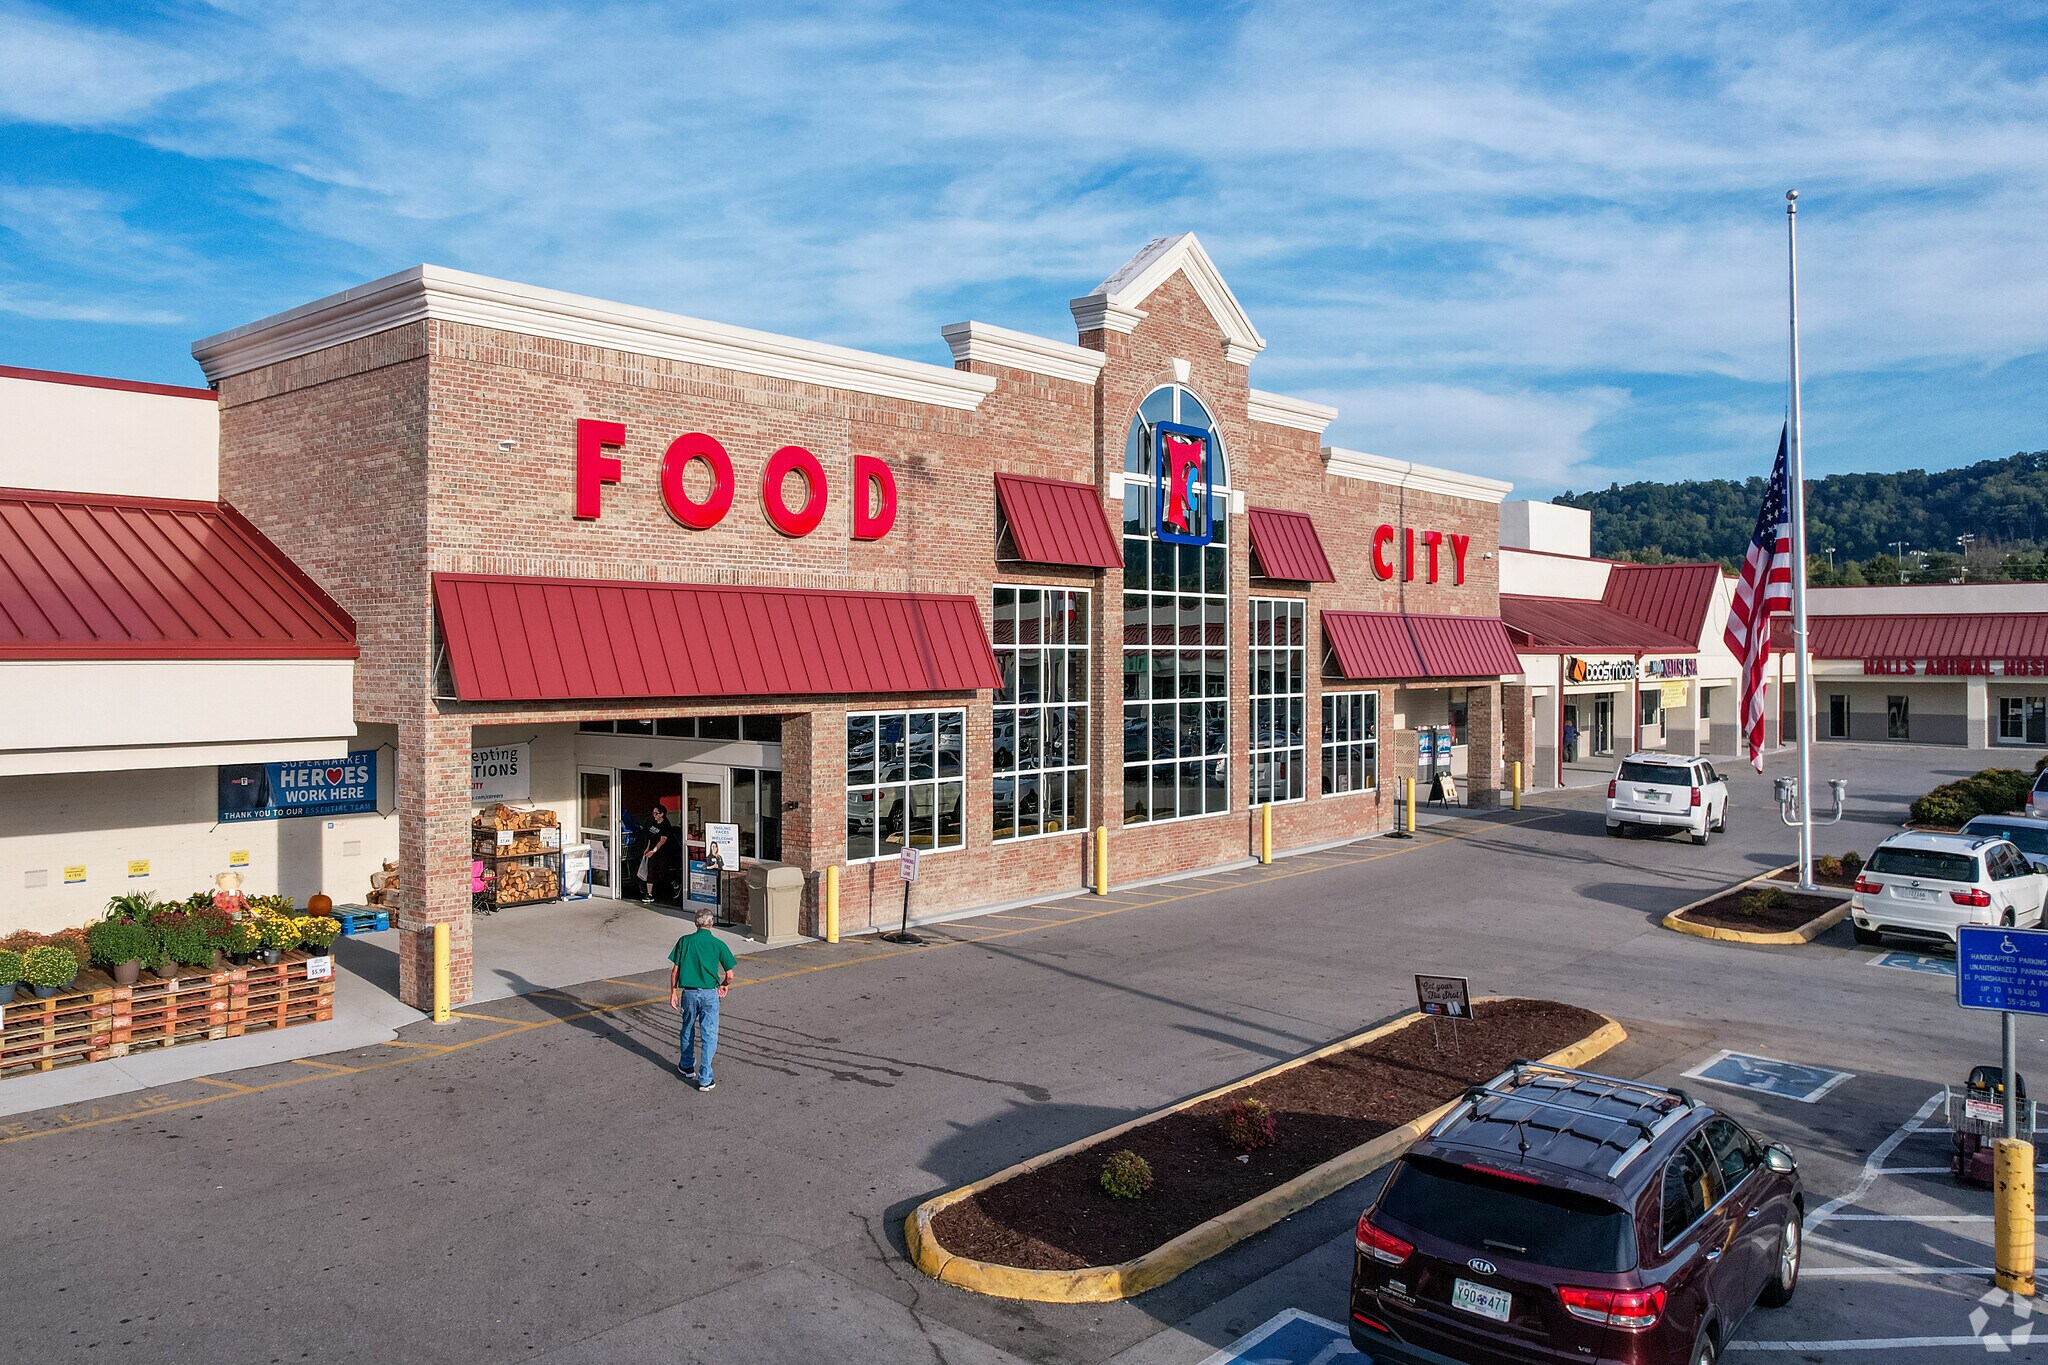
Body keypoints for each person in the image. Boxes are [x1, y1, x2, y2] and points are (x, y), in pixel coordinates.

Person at [668, 908, 736, 1089]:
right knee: (709, 1034)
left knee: (687, 1029)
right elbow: (730, 974)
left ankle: (687, 1065)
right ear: (711, 923)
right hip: (709, 994)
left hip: (689, 993)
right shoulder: (718, 944)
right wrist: (724, 985)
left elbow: (675, 970)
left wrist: (673, 992)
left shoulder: (684, 941)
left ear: (696, 923)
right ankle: (705, 1077)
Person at [641, 804, 677, 904]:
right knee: (650, 871)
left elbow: (662, 840)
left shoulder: (665, 825)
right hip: (652, 851)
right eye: (653, 813)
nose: (654, 815)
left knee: (663, 872)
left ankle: (674, 885)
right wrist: (647, 849)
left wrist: (653, 851)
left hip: (663, 852)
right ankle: (649, 894)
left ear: (662, 814)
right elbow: (650, 837)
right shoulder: (653, 823)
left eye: (656, 813)